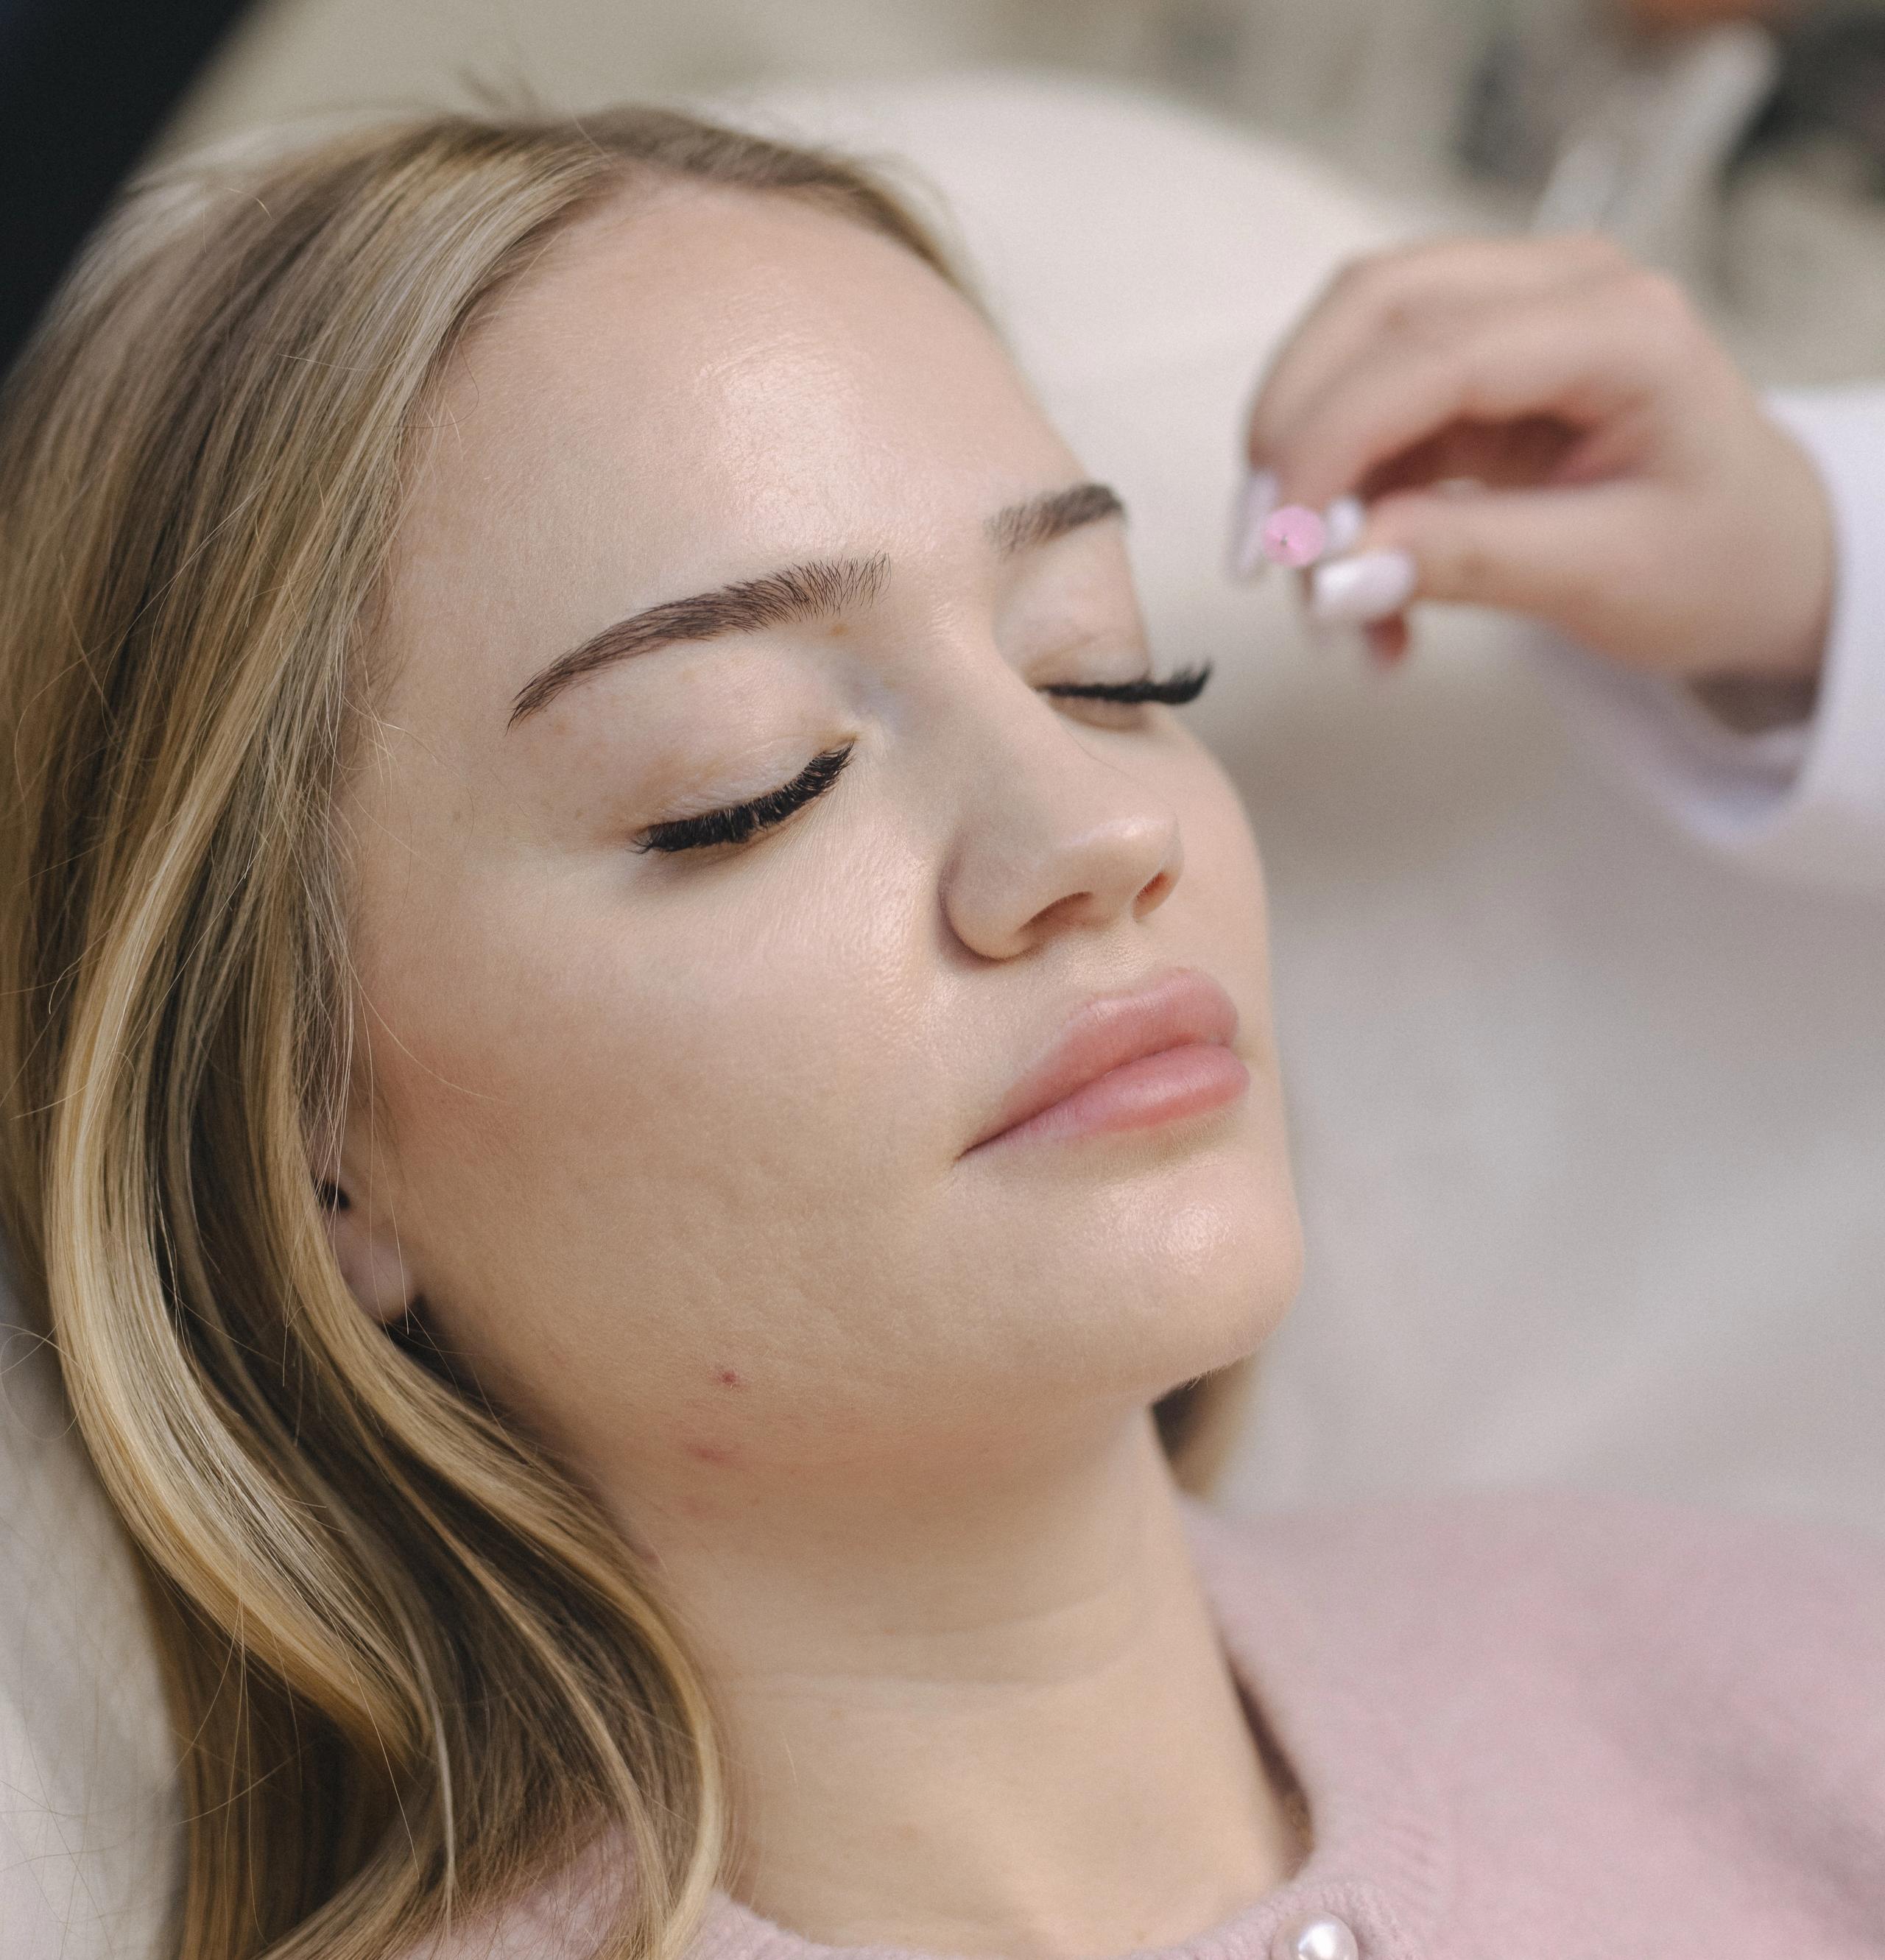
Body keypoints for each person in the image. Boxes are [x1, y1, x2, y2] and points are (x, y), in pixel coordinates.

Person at [0, 104, 1879, 1960]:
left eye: (1103, 663)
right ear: (305, 1145)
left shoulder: (1783, 1696)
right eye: (751, 787)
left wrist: (1812, 584)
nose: (1094, 832)